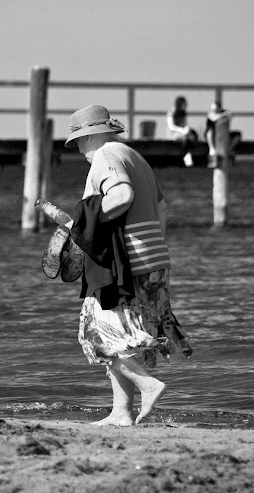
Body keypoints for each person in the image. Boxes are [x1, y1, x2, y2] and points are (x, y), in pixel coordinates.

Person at [64, 104, 192, 427]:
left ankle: (149, 386)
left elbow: (122, 195)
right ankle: (121, 413)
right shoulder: (135, 156)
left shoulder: (105, 154)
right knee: (126, 337)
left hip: (126, 264)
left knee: (95, 335)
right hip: (155, 259)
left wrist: (84, 224)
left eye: (77, 141)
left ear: (89, 136)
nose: (78, 149)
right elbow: (162, 208)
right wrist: (151, 244)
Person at [204, 100, 241, 167]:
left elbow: (230, 114)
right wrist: (221, 116)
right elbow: (213, 118)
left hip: (224, 135)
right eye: (212, 110)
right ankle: (212, 150)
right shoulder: (211, 116)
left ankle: (228, 150)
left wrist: (222, 115)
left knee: (237, 135)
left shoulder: (224, 112)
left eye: (215, 109)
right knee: (209, 132)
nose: (213, 111)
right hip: (214, 136)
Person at [166, 96, 198, 167]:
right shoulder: (171, 112)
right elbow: (171, 127)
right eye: (184, 104)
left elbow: (185, 125)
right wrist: (182, 130)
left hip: (182, 134)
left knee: (193, 135)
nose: (185, 106)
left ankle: (188, 154)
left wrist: (186, 130)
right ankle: (187, 155)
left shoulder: (183, 114)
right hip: (173, 135)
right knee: (185, 138)